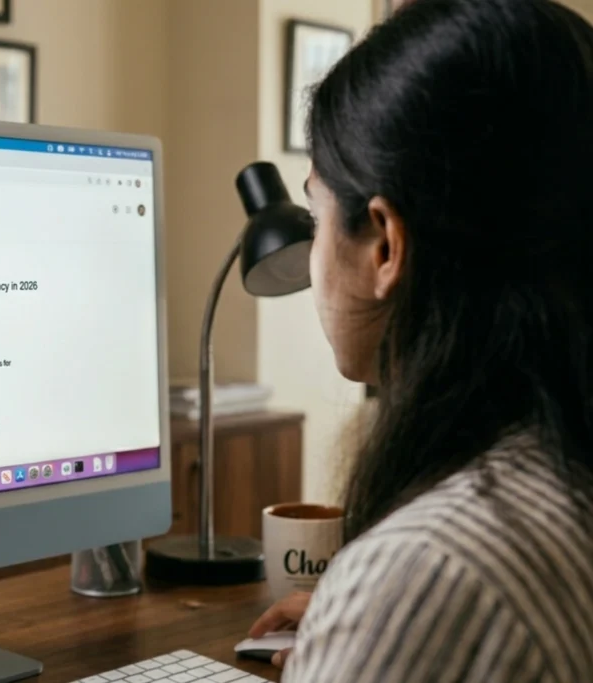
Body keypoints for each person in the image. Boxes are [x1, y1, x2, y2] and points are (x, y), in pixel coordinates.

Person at [247, 0, 593, 680]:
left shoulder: (431, 573)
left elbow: (450, 587)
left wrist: (383, 618)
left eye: (316, 211)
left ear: (384, 244)